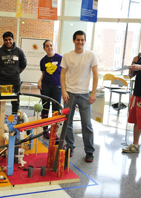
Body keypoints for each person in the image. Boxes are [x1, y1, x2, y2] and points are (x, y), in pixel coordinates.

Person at [60, 30, 99, 162]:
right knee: (68, 123)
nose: (80, 42)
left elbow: (95, 74)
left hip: (84, 95)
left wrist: (93, 93)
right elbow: (62, 74)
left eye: (82, 40)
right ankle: (70, 146)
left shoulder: (91, 55)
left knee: (87, 124)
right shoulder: (67, 55)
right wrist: (63, 91)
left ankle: (89, 151)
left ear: (85, 41)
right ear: (74, 41)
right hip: (69, 94)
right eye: (78, 40)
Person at [0, 31, 27, 134]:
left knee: (15, 102)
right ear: (3, 41)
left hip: (15, 81)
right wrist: (2, 73)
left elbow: (23, 65)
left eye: (9, 39)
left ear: (13, 39)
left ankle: (14, 122)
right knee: (0, 103)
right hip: (2, 80)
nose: (8, 42)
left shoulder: (19, 52)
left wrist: (15, 73)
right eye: (6, 40)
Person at [37, 40, 62, 139]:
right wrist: (40, 81)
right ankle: (45, 131)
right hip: (45, 86)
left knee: (56, 110)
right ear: (44, 48)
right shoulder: (43, 60)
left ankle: (54, 132)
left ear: (53, 46)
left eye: (51, 45)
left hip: (57, 86)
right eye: (47, 46)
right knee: (45, 109)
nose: (49, 47)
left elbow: (64, 73)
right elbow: (43, 74)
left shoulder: (60, 58)